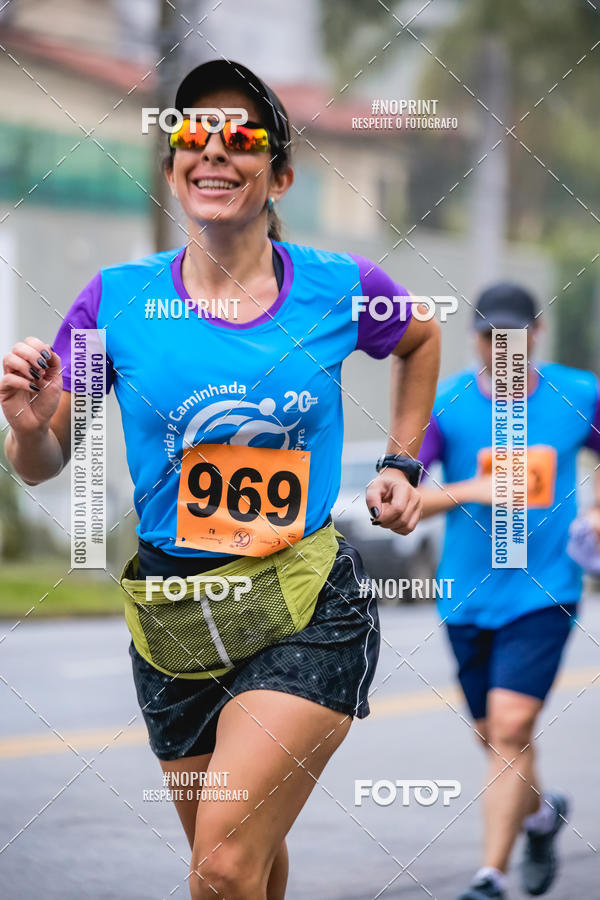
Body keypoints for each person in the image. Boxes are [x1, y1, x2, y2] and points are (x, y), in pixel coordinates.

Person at [0, 60, 440, 900]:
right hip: (176, 617)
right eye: (190, 136)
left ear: (279, 174)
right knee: (244, 864)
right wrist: (27, 427)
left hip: (304, 600)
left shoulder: (338, 287)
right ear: (171, 172)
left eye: (240, 137)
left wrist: (400, 462)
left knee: (223, 864)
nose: (213, 151)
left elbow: (421, 340)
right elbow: (46, 459)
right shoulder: (115, 303)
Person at [417, 283, 600, 900]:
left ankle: (489, 877)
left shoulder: (580, 393)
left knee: (510, 723)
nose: (502, 347)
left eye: (513, 335)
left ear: (536, 333)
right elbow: (407, 499)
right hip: (466, 596)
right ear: (474, 338)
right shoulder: (447, 405)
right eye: (491, 336)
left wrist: (598, 507)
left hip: (545, 590)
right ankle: (542, 816)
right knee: (497, 737)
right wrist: (474, 488)